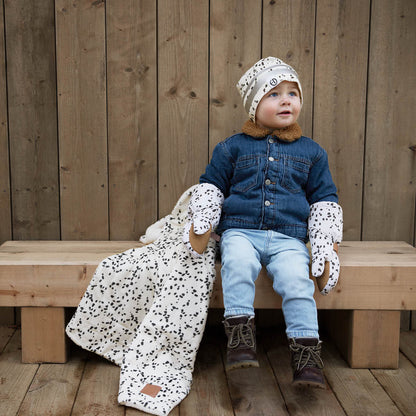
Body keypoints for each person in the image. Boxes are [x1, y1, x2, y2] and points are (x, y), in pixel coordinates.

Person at [183, 57, 343, 388]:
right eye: (274, 94)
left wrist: (325, 244)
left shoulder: (312, 153)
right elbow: (212, 186)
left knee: (297, 283)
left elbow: (324, 199)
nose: (286, 100)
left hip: (289, 239)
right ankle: (240, 337)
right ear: (255, 104)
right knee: (237, 264)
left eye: (292, 93)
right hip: (241, 231)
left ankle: (307, 356)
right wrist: (203, 220)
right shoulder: (232, 147)